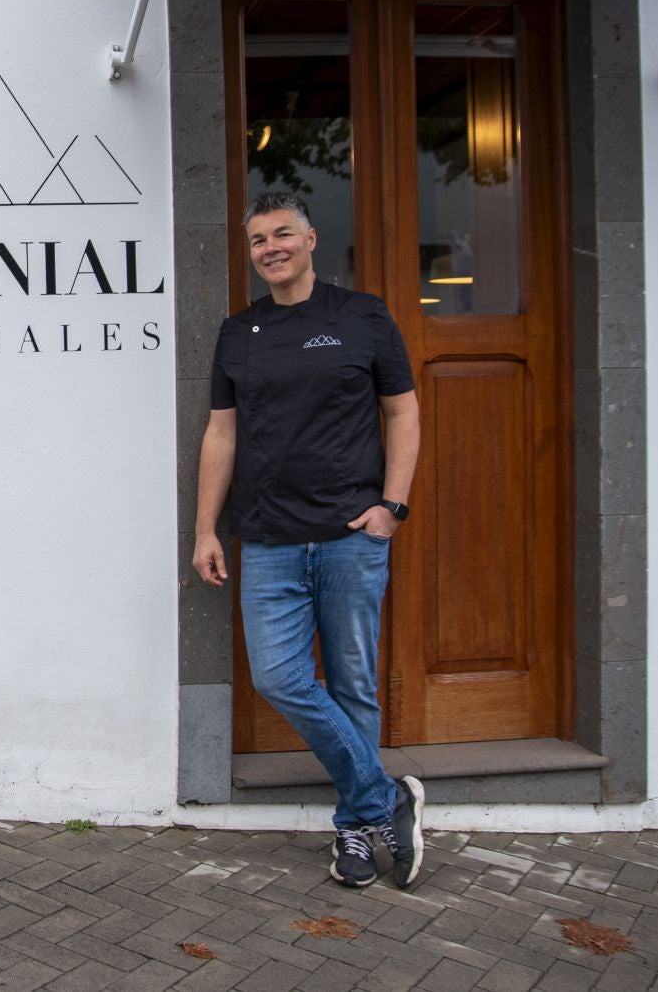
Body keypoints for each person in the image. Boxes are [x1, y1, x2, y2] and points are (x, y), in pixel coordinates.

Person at [192, 191, 425, 889]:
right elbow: (221, 432)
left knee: (353, 684)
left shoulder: (363, 316)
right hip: (268, 539)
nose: (271, 248)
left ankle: (355, 826)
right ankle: (386, 800)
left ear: (311, 238)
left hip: (351, 534)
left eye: (282, 233)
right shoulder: (240, 332)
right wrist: (206, 528)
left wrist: (392, 507)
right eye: (258, 239)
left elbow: (403, 412)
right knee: (279, 678)